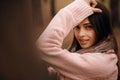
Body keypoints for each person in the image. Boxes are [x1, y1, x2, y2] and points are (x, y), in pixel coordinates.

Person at [36, 0, 118, 80]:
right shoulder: (78, 54)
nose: (80, 34)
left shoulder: (101, 63)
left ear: (102, 28)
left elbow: (44, 46)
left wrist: (71, 11)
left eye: (89, 27)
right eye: (77, 27)